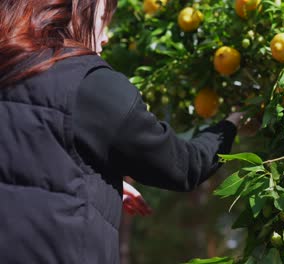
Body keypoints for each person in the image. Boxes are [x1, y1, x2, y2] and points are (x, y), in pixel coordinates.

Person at [0, 0, 243, 263]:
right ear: (76, 9)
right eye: (104, 18)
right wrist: (233, 122)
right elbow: (184, 166)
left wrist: (89, 171)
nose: (105, 37)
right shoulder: (89, 81)